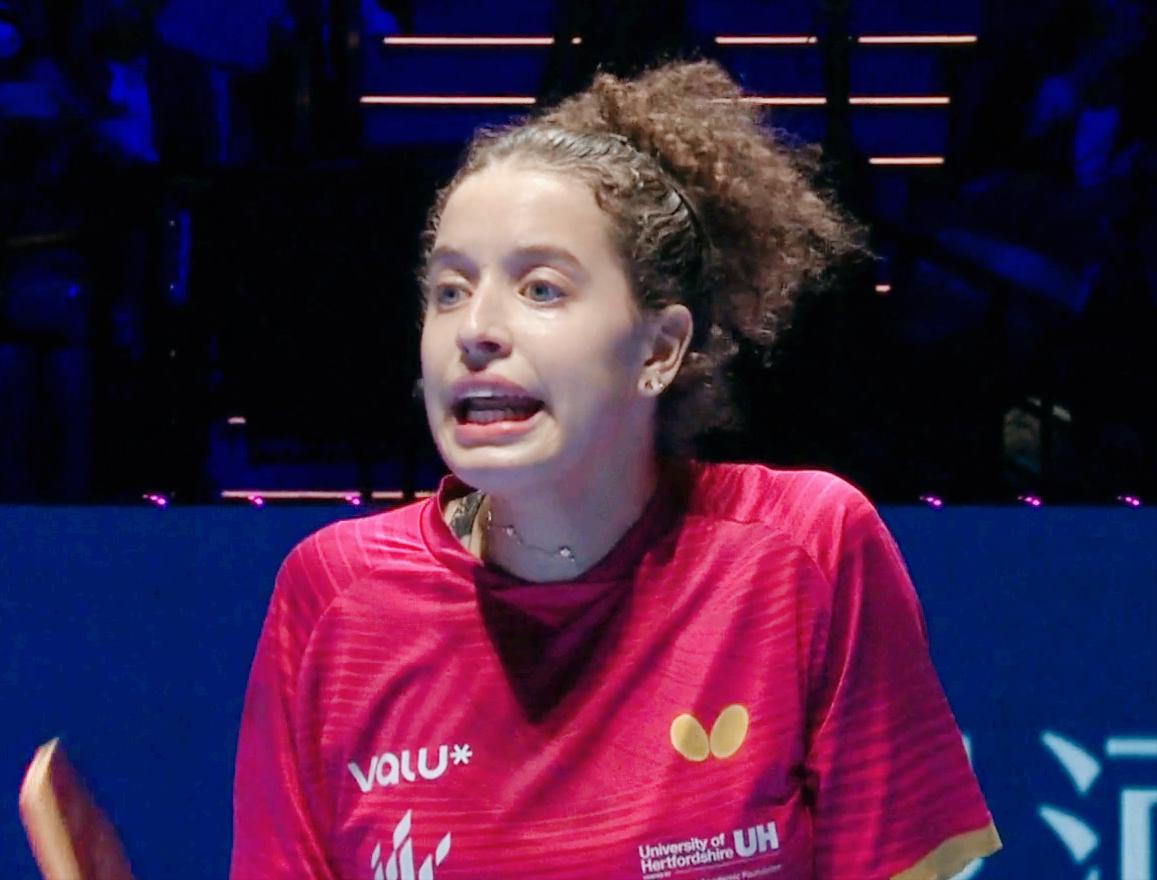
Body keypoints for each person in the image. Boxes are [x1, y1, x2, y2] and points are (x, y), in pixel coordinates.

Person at [230, 60, 1001, 879]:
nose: (476, 330)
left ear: (659, 349)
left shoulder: (801, 553)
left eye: (540, 289)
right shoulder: (334, 596)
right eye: (449, 291)